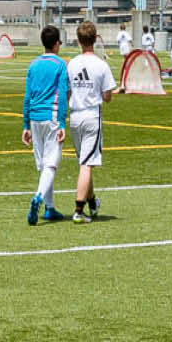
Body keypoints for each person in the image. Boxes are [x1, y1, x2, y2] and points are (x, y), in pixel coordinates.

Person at [67, 20, 115, 223]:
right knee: (86, 164)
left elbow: (68, 91)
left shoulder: (71, 64)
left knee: (86, 160)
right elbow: (107, 96)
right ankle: (78, 210)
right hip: (91, 116)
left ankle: (92, 201)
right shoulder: (101, 65)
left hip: (75, 116)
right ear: (95, 39)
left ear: (78, 41)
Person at [22, 24, 69, 225]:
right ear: (57, 43)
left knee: (43, 165)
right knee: (51, 163)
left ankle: (49, 208)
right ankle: (39, 198)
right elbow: (64, 95)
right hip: (51, 117)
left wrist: (25, 124)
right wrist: (62, 123)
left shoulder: (33, 65)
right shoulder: (60, 65)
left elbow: (27, 96)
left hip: (34, 117)